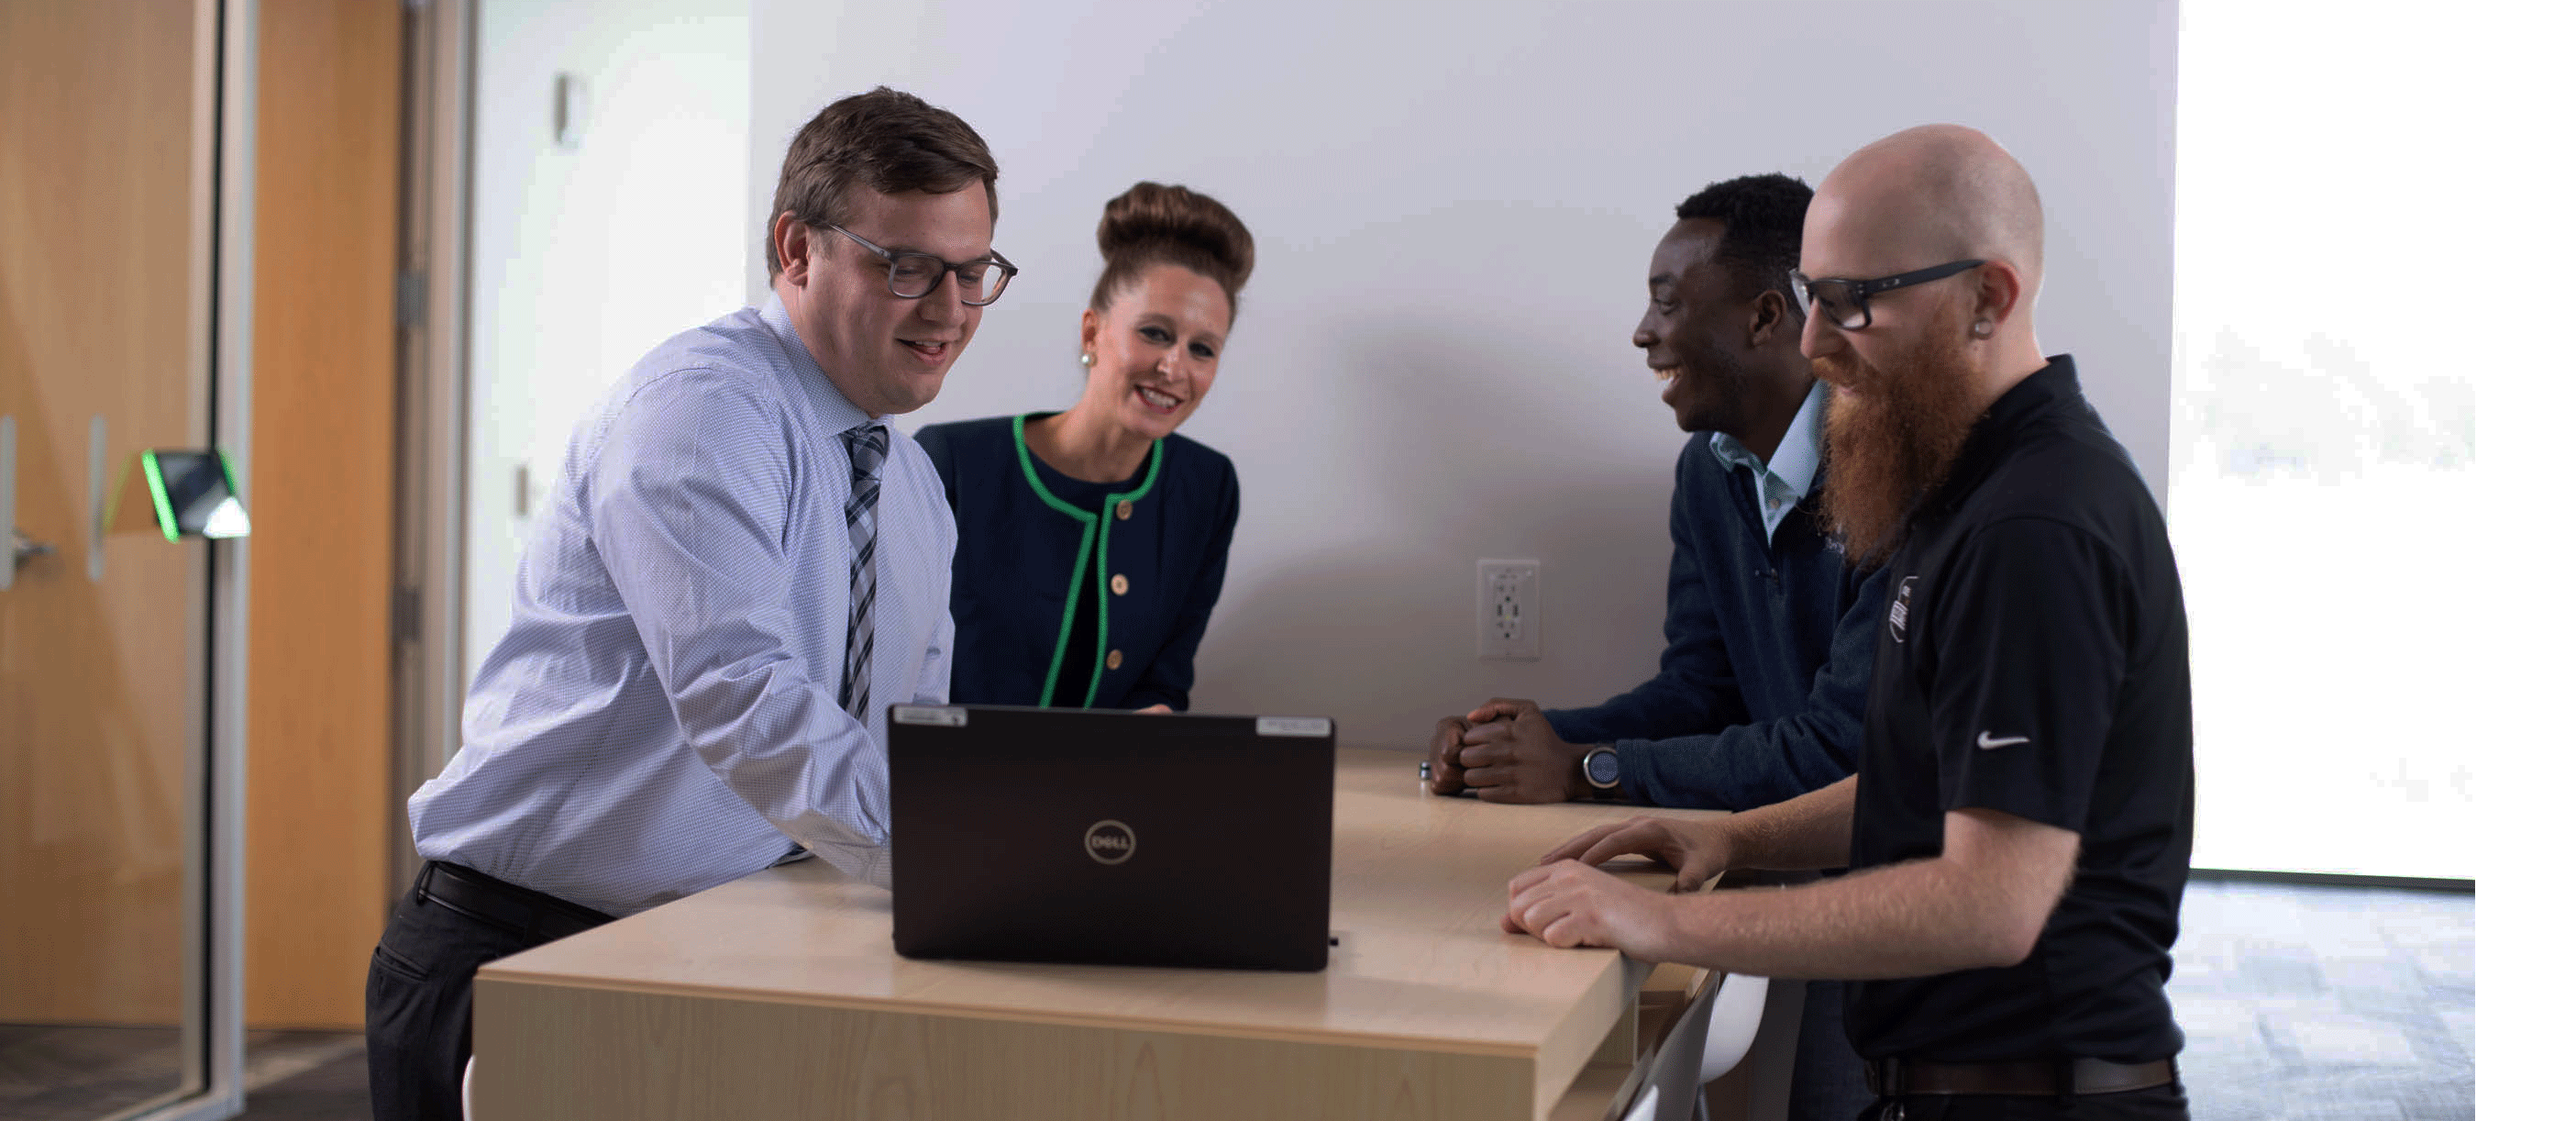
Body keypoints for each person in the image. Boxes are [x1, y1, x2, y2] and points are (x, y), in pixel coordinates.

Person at [1503, 125, 2195, 1121]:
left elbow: (1989, 901)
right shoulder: (1964, 487)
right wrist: (1734, 840)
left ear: (1987, 299)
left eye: (1849, 304)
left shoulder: (2035, 524)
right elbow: (1931, 777)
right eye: (1812, 297)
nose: (1815, 344)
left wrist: (1655, 922)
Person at [367, 87, 1007, 1121]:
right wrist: (970, 870)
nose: (949, 310)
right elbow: (742, 697)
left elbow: (902, 741)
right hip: (527, 954)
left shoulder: (912, 487)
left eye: (973, 271)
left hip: (718, 948)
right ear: (795, 249)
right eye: (907, 267)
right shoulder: (705, 410)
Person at [1425, 173, 1885, 812]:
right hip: (1773, 862)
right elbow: (1701, 695)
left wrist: (1584, 770)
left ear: (1764, 316)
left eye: (1665, 303)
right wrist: (1516, 745)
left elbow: (1844, 752)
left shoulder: (1891, 474)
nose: (1643, 331)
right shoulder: (1707, 469)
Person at [916, 183, 1248, 711]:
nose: (1175, 368)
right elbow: (894, 670)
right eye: (1156, 333)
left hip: (1115, 788)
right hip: (947, 784)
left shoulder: (1206, 487)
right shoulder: (952, 463)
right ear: (1092, 333)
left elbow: (1164, 686)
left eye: (1203, 349)